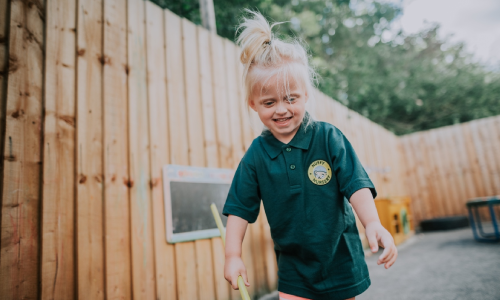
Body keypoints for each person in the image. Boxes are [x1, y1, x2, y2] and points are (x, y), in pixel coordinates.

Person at [222, 10, 397, 300]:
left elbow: (356, 185)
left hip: (340, 255)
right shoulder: (256, 155)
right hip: (294, 265)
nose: (281, 109)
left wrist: (373, 223)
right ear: (253, 103)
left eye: (291, 98)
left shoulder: (328, 138)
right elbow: (239, 208)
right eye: (269, 102)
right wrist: (232, 255)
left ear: (305, 94)